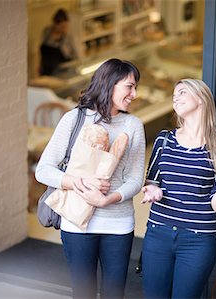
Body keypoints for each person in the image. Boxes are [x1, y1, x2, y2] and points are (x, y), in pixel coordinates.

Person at [140, 78, 216, 298]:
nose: (175, 97)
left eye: (182, 92)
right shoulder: (164, 141)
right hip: (158, 233)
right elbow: (151, 181)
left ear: (200, 98)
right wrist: (151, 190)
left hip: (197, 241)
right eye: (174, 94)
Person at [35, 58, 145, 299]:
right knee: (82, 293)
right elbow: (43, 170)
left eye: (135, 87)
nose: (134, 94)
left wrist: (109, 199)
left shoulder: (133, 125)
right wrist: (79, 182)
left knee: (114, 294)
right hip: (76, 222)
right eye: (129, 86)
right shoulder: (73, 120)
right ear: (110, 84)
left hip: (118, 223)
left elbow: (136, 179)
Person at [40, 8, 78, 76]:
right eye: (62, 26)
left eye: (66, 25)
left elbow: (76, 55)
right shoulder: (46, 32)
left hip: (63, 72)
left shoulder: (68, 37)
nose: (64, 28)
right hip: (47, 71)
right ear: (55, 24)